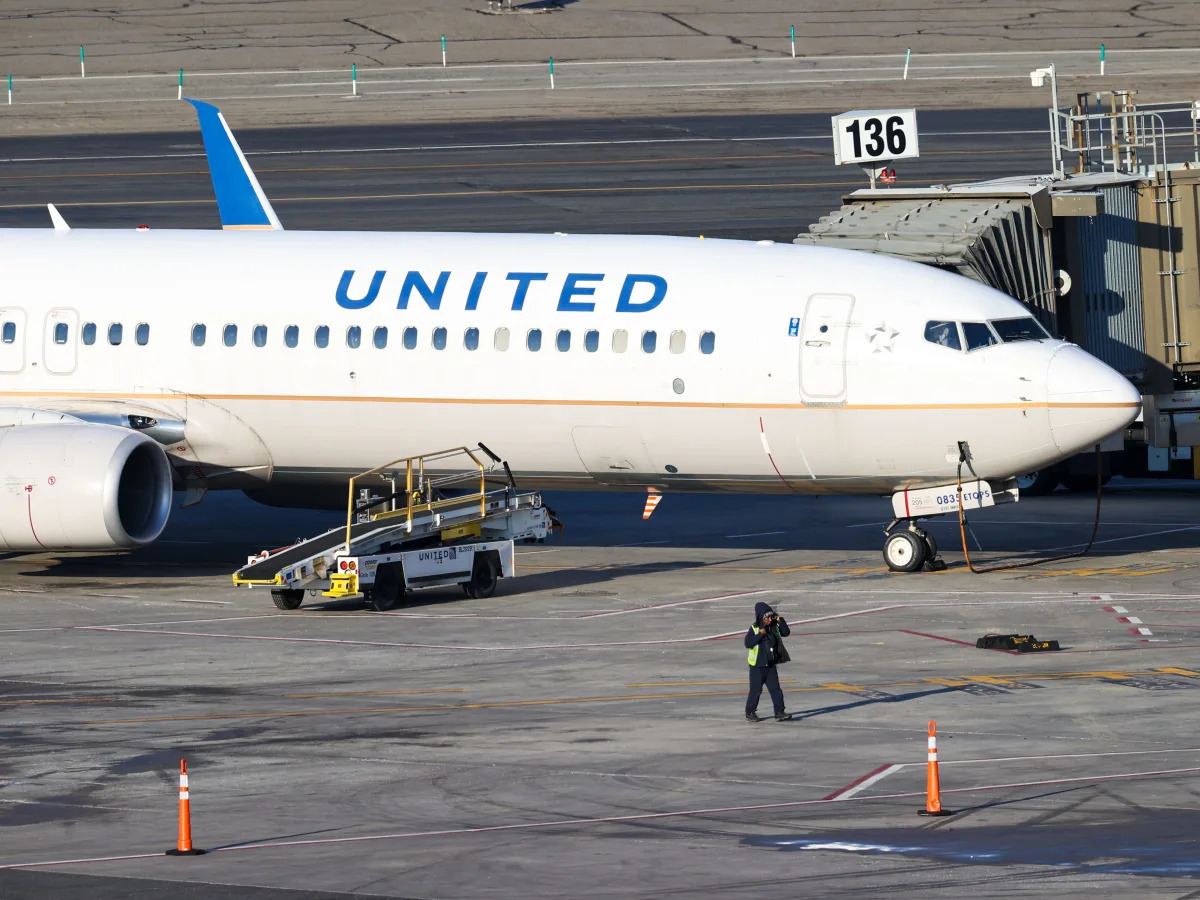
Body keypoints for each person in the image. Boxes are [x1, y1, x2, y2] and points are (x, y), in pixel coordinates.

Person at [744, 601, 793, 722]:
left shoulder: (773, 627)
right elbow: (748, 643)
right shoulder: (754, 629)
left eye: (771, 617)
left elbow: (786, 632)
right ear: (761, 617)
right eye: (767, 618)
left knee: (776, 689)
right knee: (756, 691)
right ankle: (750, 712)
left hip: (770, 665)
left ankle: (779, 712)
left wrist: (780, 620)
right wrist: (760, 634)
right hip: (757, 667)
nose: (769, 620)